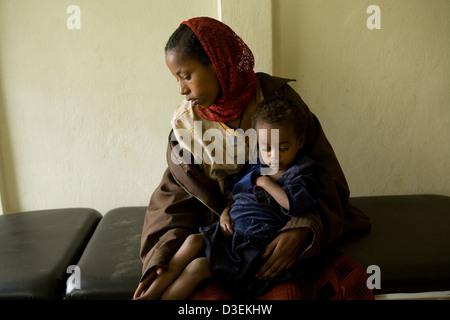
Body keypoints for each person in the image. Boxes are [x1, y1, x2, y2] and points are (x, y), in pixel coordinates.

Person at [134, 16, 371, 300]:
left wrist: (301, 230)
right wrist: (160, 260)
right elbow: (175, 198)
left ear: (218, 63)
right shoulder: (187, 125)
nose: (182, 90)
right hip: (221, 233)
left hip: (276, 228)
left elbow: (324, 176)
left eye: (186, 76)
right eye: (177, 79)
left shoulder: (276, 102)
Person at [137, 98, 321, 300]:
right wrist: (226, 213)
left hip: (255, 245)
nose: (273, 156)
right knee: (192, 241)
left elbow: (295, 205)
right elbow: (237, 195)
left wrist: (265, 183)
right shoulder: (258, 165)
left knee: (198, 267)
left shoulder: (301, 173)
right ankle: (149, 295)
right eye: (266, 148)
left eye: (283, 148)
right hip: (233, 233)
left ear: (300, 141)